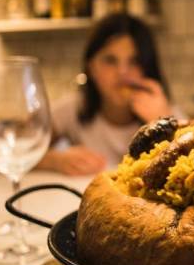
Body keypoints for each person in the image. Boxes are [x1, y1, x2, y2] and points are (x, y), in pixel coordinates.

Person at [37, 14, 181, 175]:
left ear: (148, 68)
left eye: (134, 61)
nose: (122, 72)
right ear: (91, 68)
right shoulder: (74, 108)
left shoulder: (165, 112)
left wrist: (163, 122)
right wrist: (56, 160)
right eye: (110, 60)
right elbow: (16, 150)